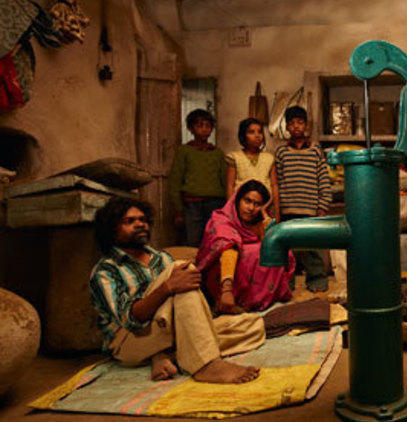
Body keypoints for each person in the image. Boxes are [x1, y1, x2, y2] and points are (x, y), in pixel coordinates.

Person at [89, 196, 265, 383]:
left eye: (143, 220)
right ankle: (205, 364)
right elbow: (131, 321)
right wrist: (167, 287)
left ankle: (166, 355)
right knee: (182, 269)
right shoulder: (106, 271)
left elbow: (186, 304)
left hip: (168, 330)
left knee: (252, 325)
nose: (140, 224)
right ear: (111, 230)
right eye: (129, 221)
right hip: (130, 341)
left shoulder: (161, 257)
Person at [196, 179, 296, 315]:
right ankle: (226, 303)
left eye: (257, 204)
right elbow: (228, 246)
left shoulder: (257, 221)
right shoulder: (221, 219)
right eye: (247, 201)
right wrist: (227, 290)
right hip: (220, 281)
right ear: (237, 199)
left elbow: (272, 241)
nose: (250, 208)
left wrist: (265, 215)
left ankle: (259, 300)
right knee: (250, 251)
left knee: (276, 250)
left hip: (243, 279)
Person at [275, 106, 332, 292]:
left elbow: (323, 179)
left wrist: (322, 205)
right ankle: (287, 284)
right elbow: (277, 181)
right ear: (287, 127)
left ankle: (317, 282)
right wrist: (278, 209)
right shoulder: (281, 152)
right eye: (291, 123)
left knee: (313, 249)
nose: (296, 126)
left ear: (305, 125)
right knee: (288, 250)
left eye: (300, 122)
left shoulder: (315, 150)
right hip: (288, 209)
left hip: (311, 210)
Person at [168, 109, 227, 247]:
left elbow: (224, 179)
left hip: (215, 204)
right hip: (191, 204)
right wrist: (178, 209)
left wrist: (225, 207)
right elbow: (175, 180)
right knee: (192, 240)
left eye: (208, 126)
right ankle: (193, 268)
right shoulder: (184, 151)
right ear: (191, 128)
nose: (204, 129)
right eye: (199, 125)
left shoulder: (217, 153)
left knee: (213, 239)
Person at [225, 118, 281, 218]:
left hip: (265, 206)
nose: (257, 135)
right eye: (251, 132)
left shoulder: (269, 158)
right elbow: (230, 185)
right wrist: (230, 210)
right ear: (243, 136)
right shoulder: (235, 157)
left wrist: (276, 211)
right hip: (242, 208)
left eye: (260, 132)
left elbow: (274, 185)